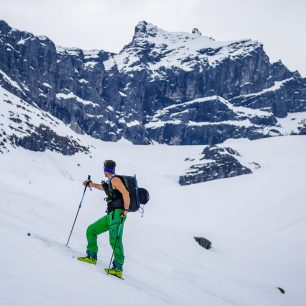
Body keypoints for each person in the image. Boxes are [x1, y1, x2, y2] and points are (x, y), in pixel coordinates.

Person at [77, 160, 130, 278]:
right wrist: (91, 184)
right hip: (111, 215)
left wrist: (125, 210)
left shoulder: (115, 180)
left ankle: (118, 268)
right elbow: (103, 188)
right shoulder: (111, 181)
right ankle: (91, 256)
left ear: (106, 169)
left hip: (117, 214)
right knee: (91, 230)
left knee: (114, 240)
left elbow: (126, 193)